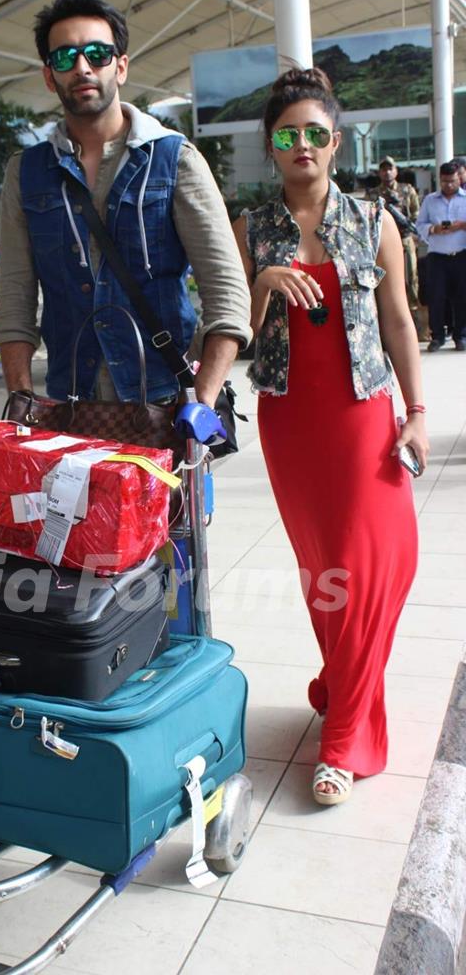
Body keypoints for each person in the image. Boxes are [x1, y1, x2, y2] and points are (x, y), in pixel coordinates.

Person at [233, 68, 428, 805]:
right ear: (272, 148)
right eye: (288, 136)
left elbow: (400, 322)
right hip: (293, 425)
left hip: (362, 419)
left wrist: (416, 412)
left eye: (316, 133)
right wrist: (262, 284)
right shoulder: (251, 229)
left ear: (336, 142)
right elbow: (233, 332)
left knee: (381, 565)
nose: (303, 146)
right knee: (328, 578)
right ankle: (345, 692)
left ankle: (344, 735)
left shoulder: (374, 221)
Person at [0, 0, 251, 407]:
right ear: (49, 76)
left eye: (97, 54)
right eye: (65, 58)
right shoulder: (27, 173)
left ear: (121, 66)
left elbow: (226, 288)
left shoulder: (174, 158)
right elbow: (14, 296)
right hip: (70, 406)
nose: (82, 67)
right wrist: (22, 398)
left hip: (167, 402)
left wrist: (202, 399)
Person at [368, 156, 426, 340]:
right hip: (381, 244)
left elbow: (416, 215)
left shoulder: (407, 190)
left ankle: (418, 330)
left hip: (405, 240)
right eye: (383, 169)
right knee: (385, 283)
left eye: (390, 168)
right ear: (380, 172)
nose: (387, 172)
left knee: (411, 280)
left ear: (396, 171)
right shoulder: (373, 194)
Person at [415, 160, 466, 352]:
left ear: (458, 179)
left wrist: (461, 225)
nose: (449, 185)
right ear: (440, 180)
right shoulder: (430, 200)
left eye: (452, 181)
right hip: (437, 256)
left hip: (461, 255)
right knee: (436, 297)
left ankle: (460, 336)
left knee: (462, 297)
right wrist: (434, 229)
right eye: (445, 181)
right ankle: (437, 336)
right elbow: (420, 225)